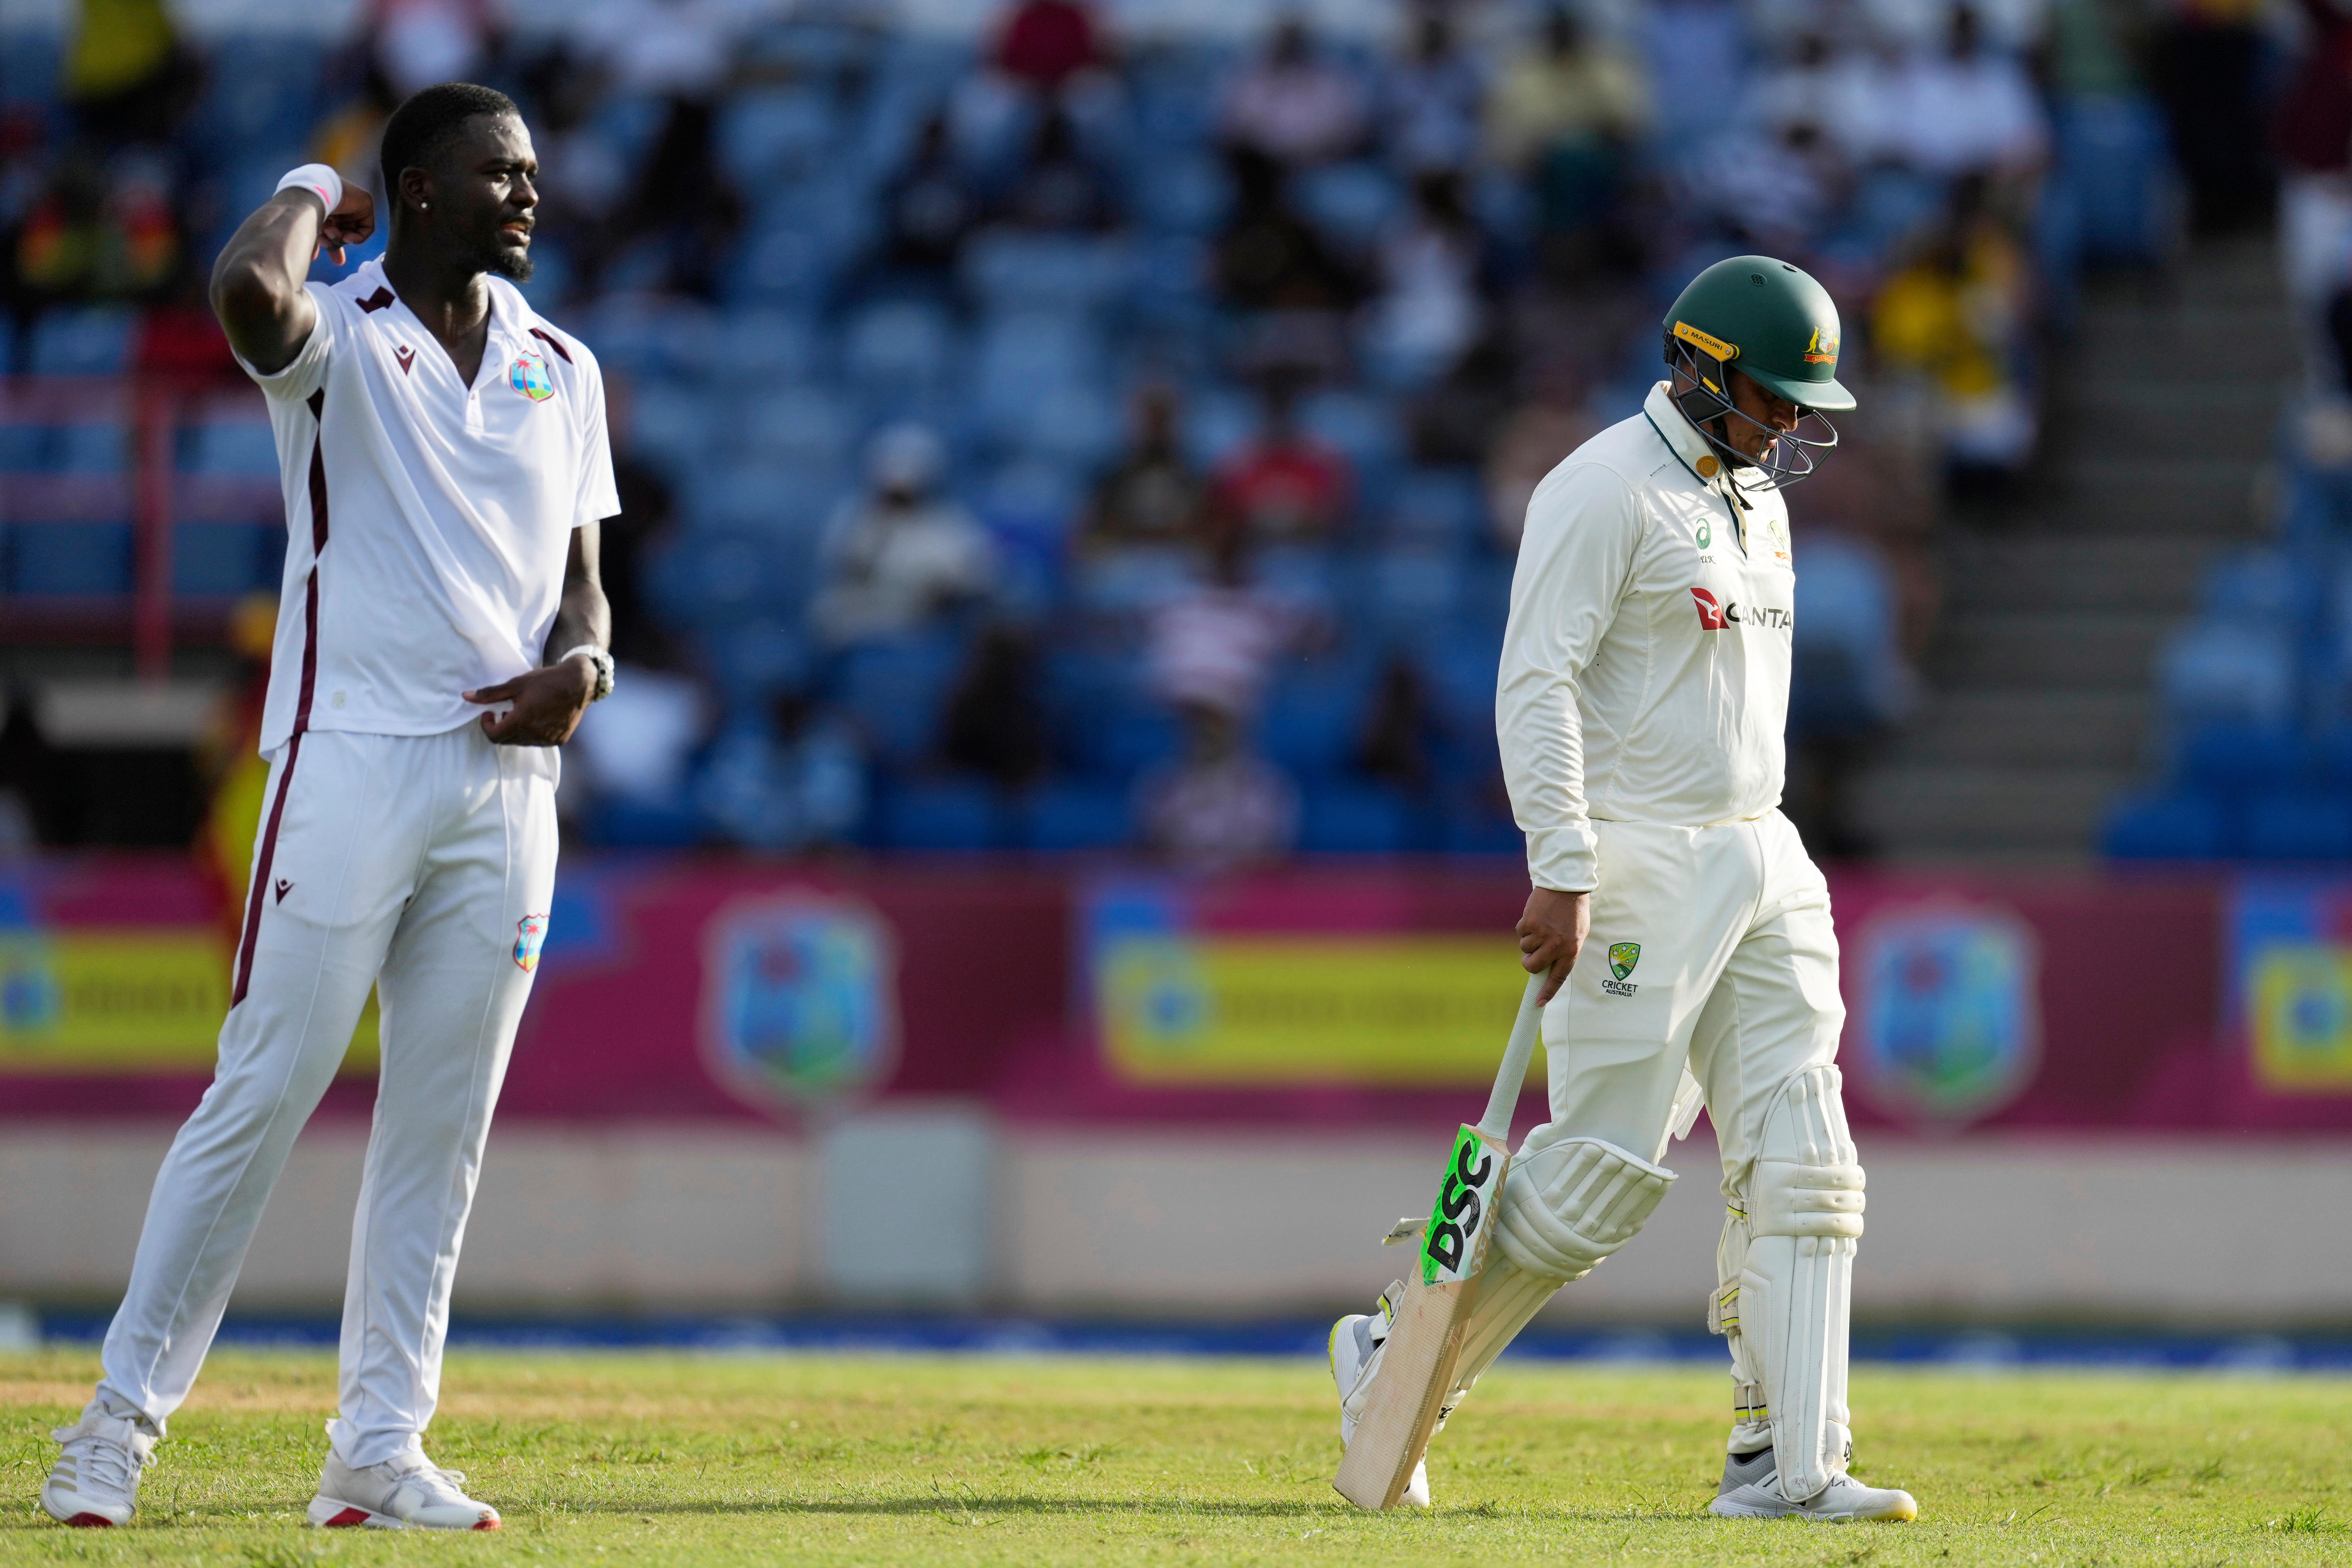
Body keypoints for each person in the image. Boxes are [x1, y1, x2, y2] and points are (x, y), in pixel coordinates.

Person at [38, 82, 618, 1532]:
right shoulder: (339, 340)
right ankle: (116, 1426)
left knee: (441, 1127)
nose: (529, 196)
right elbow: (245, 289)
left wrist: (587, 667)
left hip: (510, 786)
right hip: (347, 758)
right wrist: (312, 181)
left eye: (533, 173)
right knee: (262, 1095)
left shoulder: (566, 363)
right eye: (499, 175)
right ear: (415, 192)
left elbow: (586, 579)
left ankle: (377, 1446)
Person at [1328, 255, 1919, 1522]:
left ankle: (1786, 1463)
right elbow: (1533, 682)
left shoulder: (1759, 499)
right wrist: (1564, 862)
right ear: (1701, 366)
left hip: (1762, 847)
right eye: (1773, 395)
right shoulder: (1601, 487)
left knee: (1805, 1155)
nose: (1794, 425)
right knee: (1598, 1173)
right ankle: (1395, 1353)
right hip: (1638, 855)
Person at [810, 424, 998, 645]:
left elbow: (980, 578)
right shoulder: (854, 516)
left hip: (922, 636)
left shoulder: (949, 524)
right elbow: (845, 573)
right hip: (857, 633)